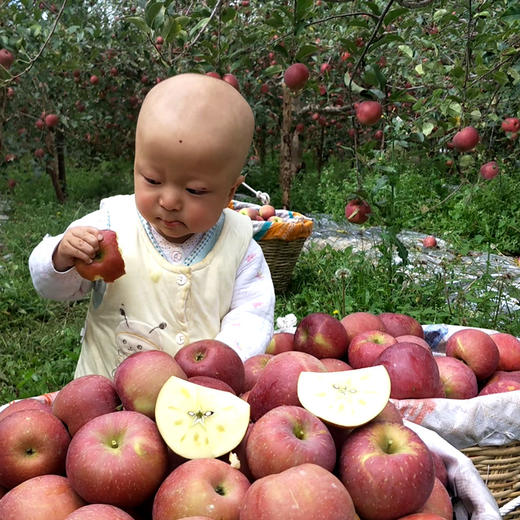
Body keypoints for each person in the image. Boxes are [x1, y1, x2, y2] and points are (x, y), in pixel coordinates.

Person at [29, 73, 275, 380]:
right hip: (105, 401)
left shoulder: (240, 245)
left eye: (195, 190)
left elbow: (253, 317)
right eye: (153, 181)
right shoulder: (109, 224)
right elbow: (52, 288)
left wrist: (218, 367)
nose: (169, 201)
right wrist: (60, 257)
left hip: (194, 402)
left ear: (229, 192)